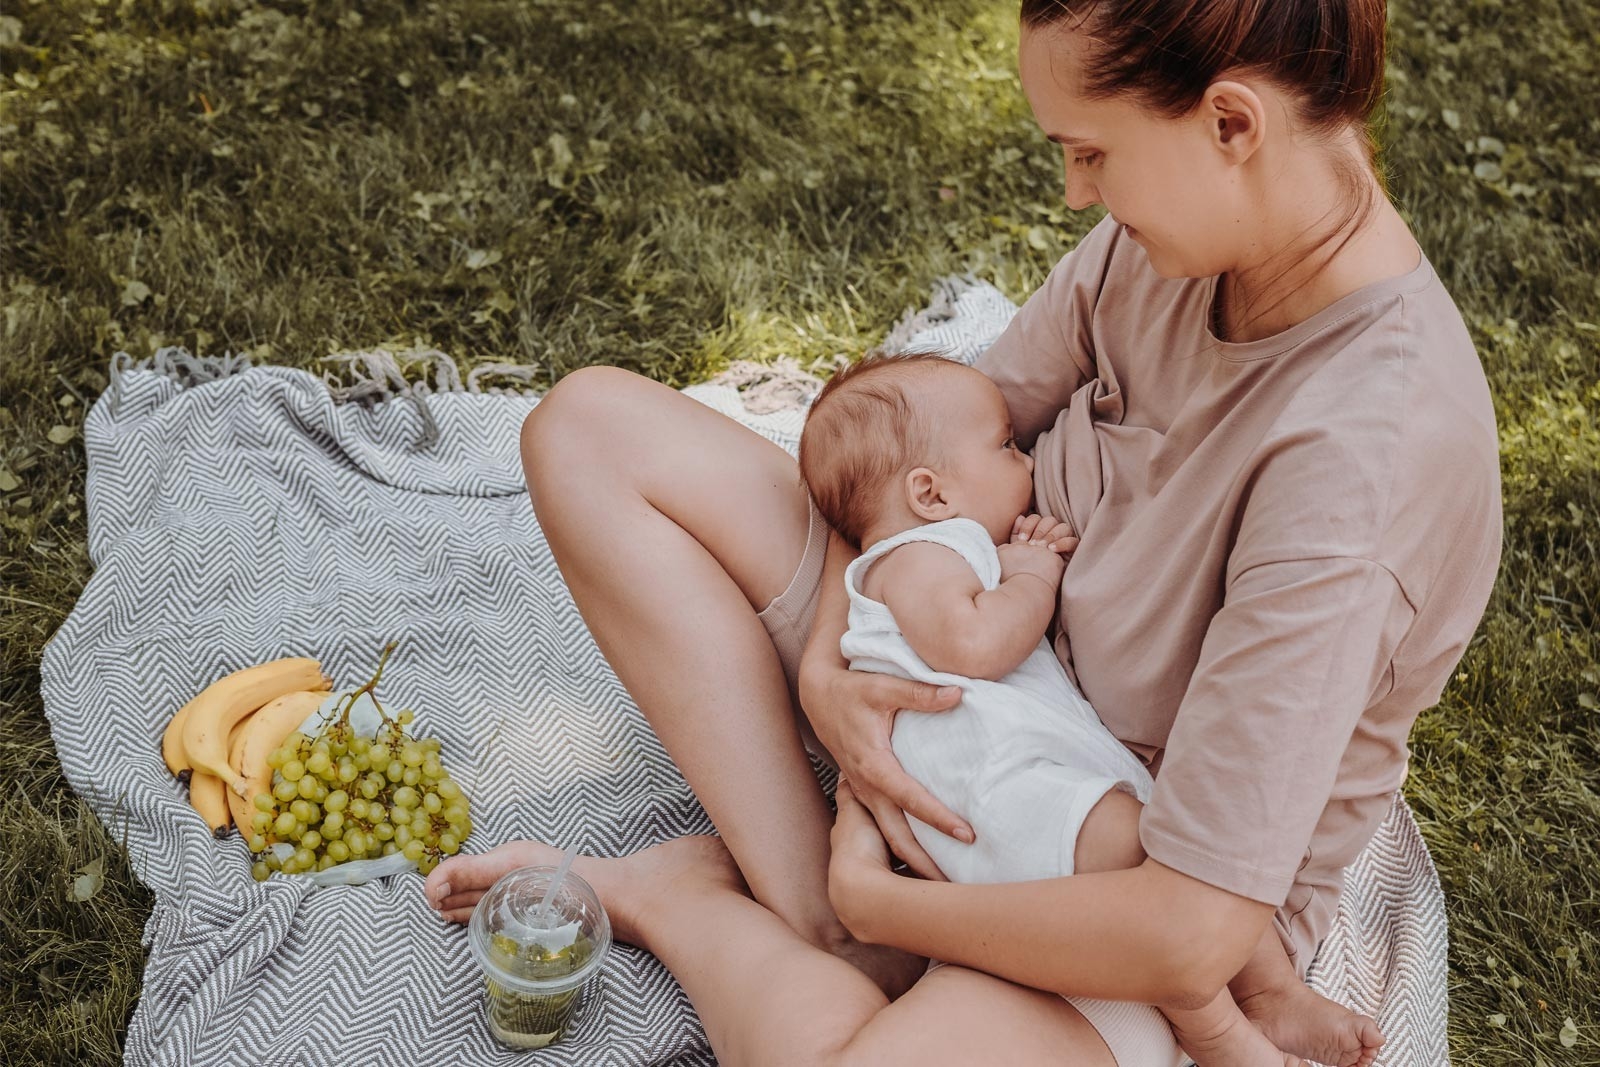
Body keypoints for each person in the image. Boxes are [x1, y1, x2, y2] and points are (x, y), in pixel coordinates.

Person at [426, 0, 1502, 1062]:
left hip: (1103, 849)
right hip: (962, 659)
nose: (1080, 194)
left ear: (1231, 125)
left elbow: (1188, 926)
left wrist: (887, 901)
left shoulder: (1364, 462)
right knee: (588, 431)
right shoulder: (1188, 239)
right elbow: (927, 464)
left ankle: (706, 903)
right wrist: (833, 668)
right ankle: (819, 915)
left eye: (1091, 153)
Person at [795, 349, 1383, 1067]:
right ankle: (1231, 1025)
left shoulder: (938, 548)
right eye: (1007, 446)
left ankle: (1262, 995)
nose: (1029, 463)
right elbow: (972, 643)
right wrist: (1034, 579)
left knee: (1163, 851)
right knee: (1160, 861)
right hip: (995, 790)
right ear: (930, 492)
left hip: (1014, 780)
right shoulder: (920, 555)